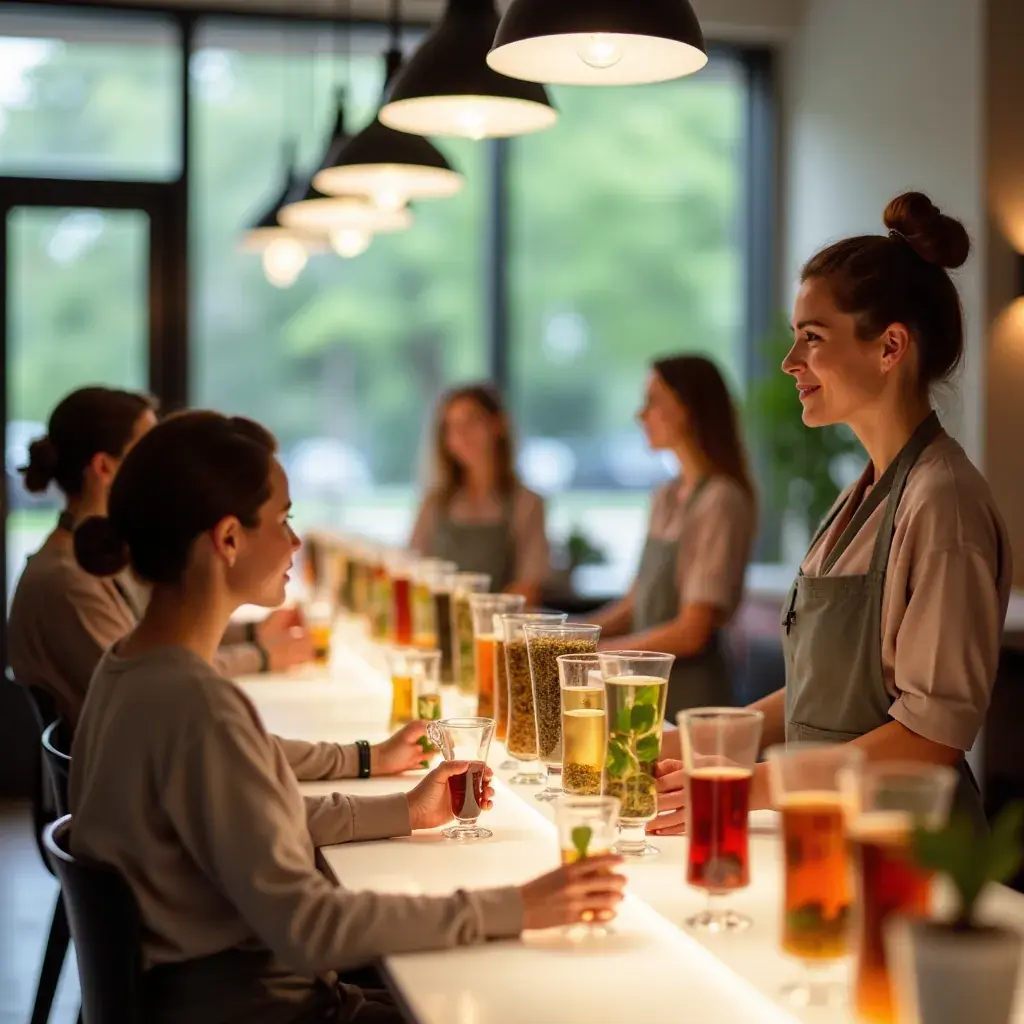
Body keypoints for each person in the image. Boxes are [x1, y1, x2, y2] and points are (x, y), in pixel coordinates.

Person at [69, 410, 626, 1024]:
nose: (295, 542)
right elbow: (312, 927)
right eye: (283, 520)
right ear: (228, 540)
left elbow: (252, 818)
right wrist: (517, 905)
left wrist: (404, 810)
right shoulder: (199, 707)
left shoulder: (126, 670)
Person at [654, 192, 1012, 836]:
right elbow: (822, 695)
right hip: (828, 830)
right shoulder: (862, 494)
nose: (791, 363)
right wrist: (686, 748)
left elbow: (930, 738)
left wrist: (750, 786)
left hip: (905, 851)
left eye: (812, 340)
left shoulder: (943, 501)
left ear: (890, 347)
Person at [8, 387, 312, 728]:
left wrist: (255, 633)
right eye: (149, 451)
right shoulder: (67, 579)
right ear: (104, 468)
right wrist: (263, 655)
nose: (166, 465)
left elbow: (174, 635)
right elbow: (161, 675)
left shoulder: (106, 557)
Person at [590, 356, 757, 720]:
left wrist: (599, 654)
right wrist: (572, 635)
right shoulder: (666, 495)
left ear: (687, 408)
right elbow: (636, 602)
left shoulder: (720, 500)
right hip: (645, 696)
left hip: (691, 702)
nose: (641, 414)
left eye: (653, 400)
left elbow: (692, 630)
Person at [409, 384, 549, 603]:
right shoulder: (435, 503)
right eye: (451, 427)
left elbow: (528, 588)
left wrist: (478, 619)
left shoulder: (526, 503)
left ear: (497, 425)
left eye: (471, 422)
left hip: (496, 632)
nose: (461, 435)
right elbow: (413, 570)